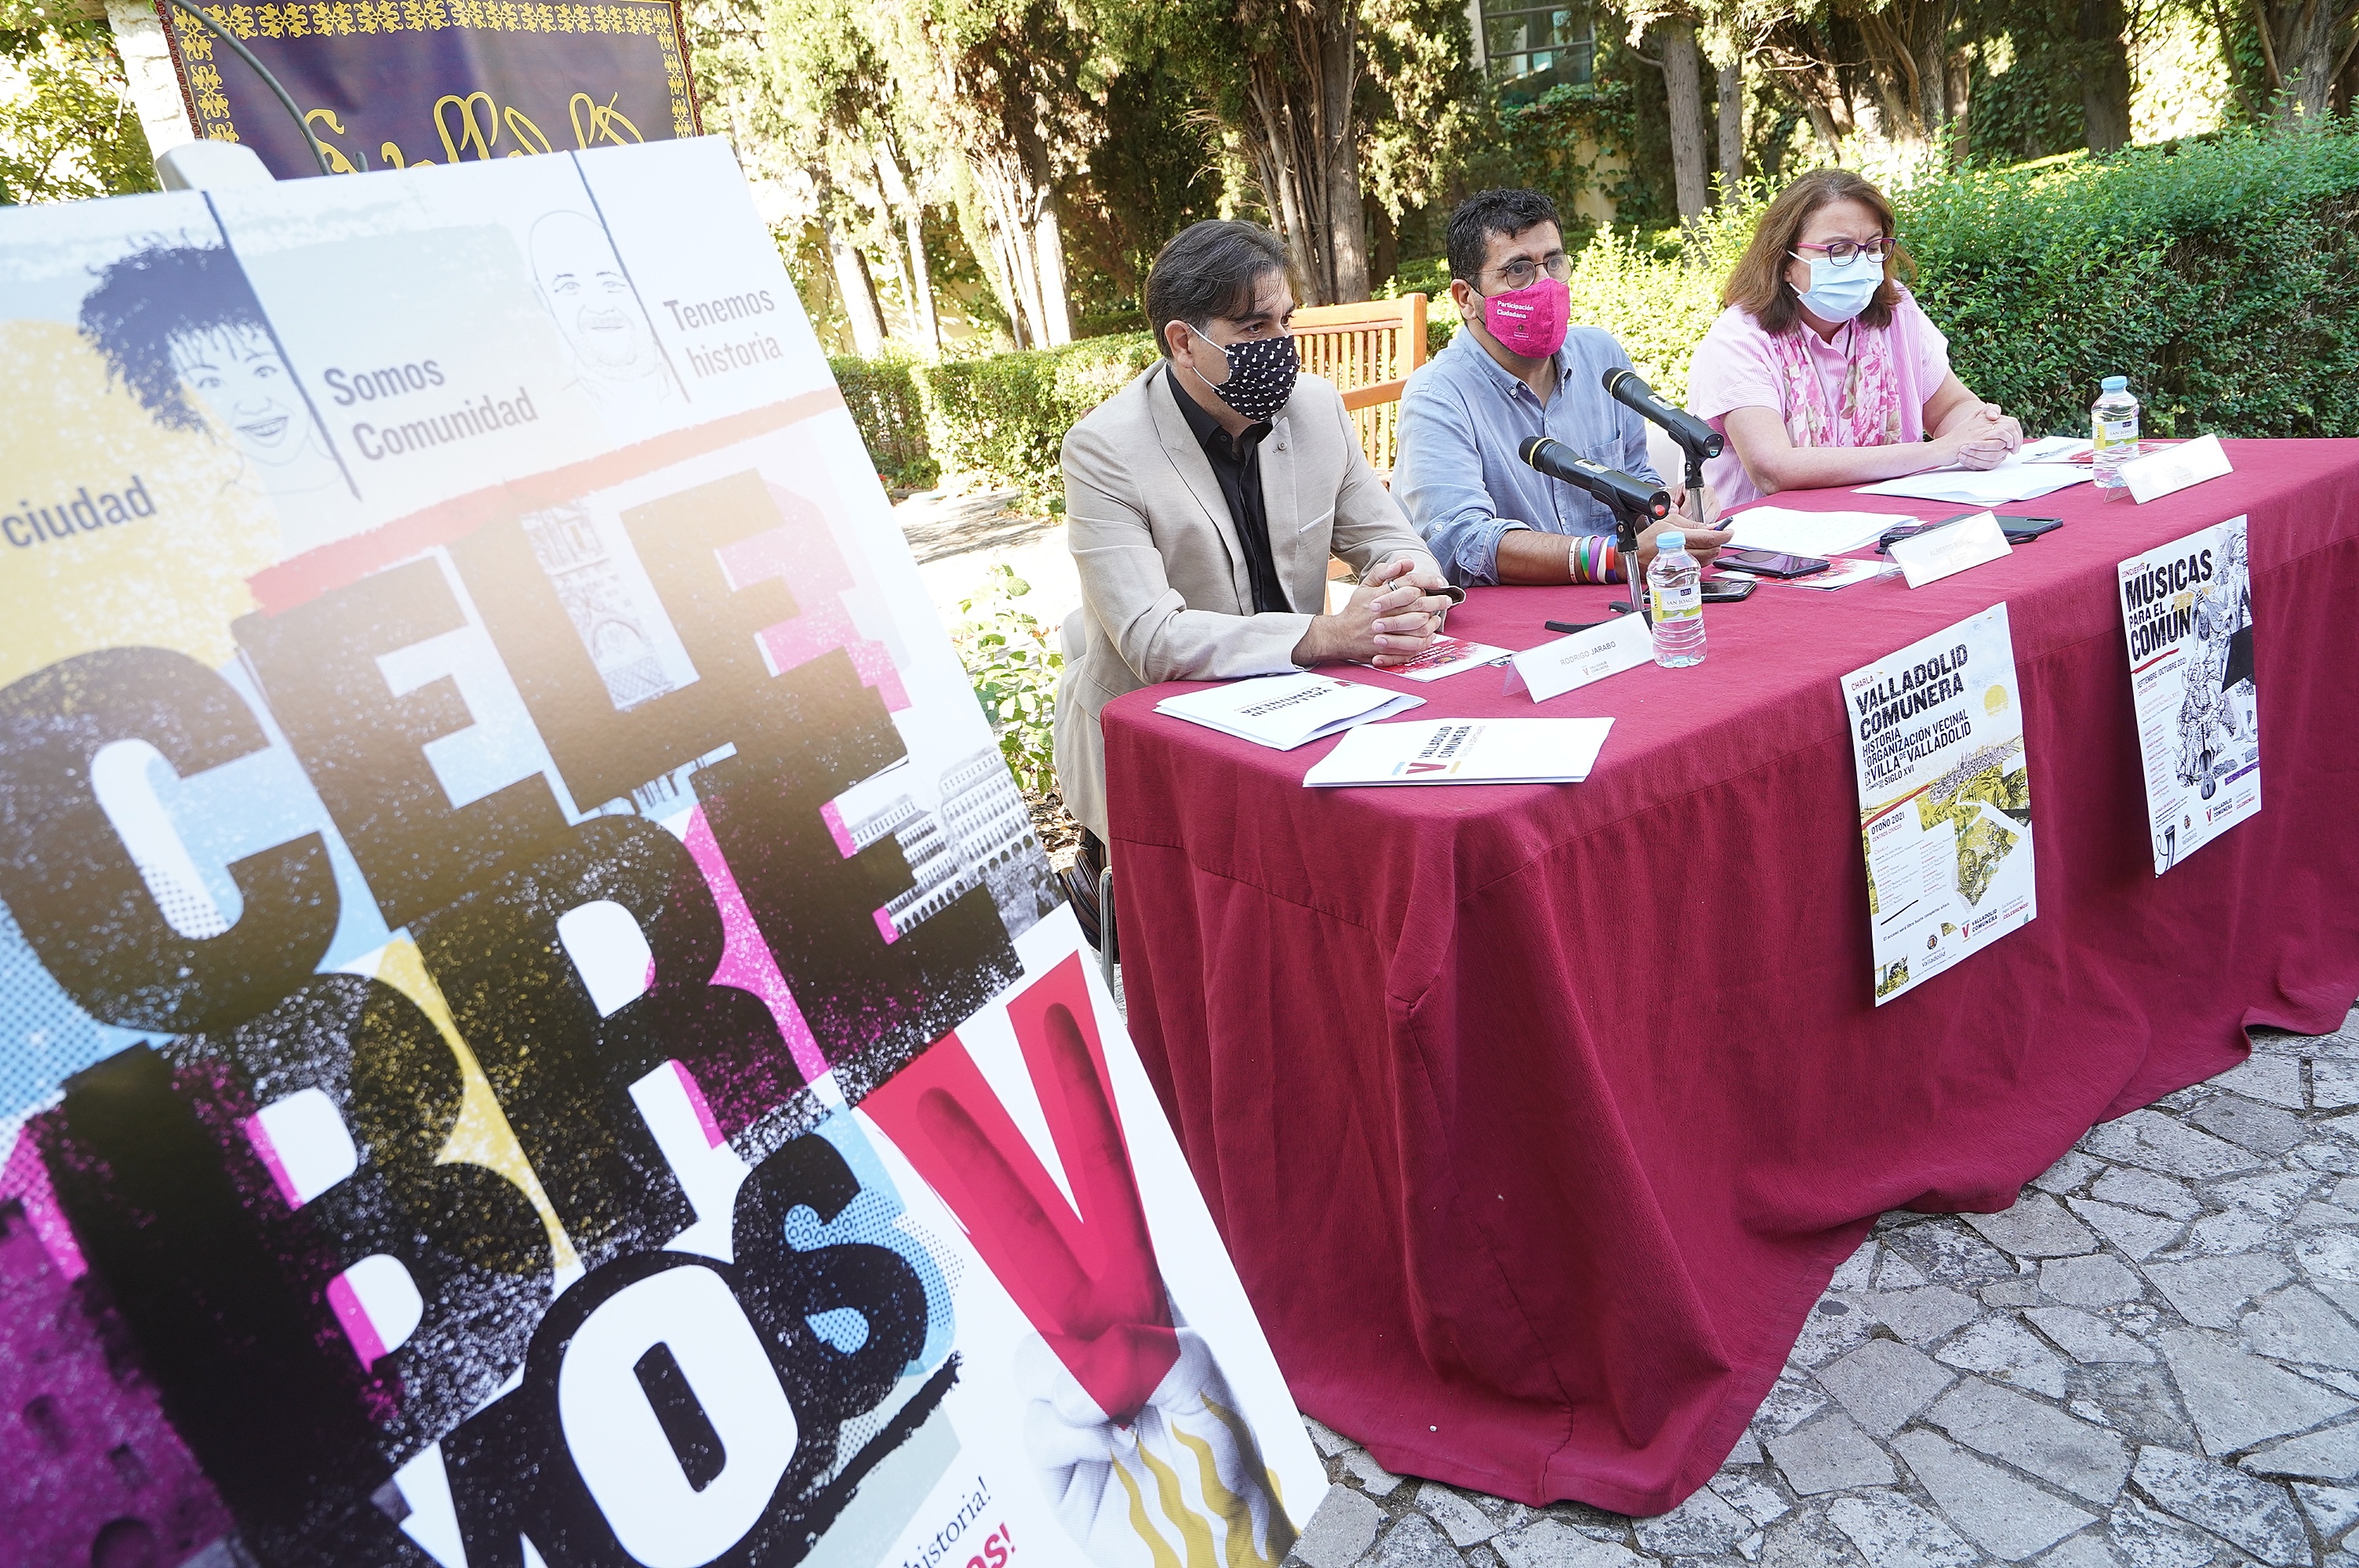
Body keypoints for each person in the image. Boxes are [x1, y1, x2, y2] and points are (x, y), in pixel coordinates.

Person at [1054, 220, 1458, 942]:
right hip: (1166, 745)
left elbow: (1392, 540)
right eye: (1253, 327)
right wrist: (1330, 634)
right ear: (1184, 342)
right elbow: (1154, 640)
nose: (1280, 346)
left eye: (1286, 322)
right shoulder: (1104, 450)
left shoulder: (1314, 408)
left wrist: (1406, 590)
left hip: (1304, 715)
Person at [1396, 187, 1726, 589]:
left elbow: (1634, 474)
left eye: (1554, 262)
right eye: (1518, 270)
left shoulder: (1601, 357)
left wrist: (1665, 509)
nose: (1545, 284)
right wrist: (1615, 559)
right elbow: (1461, 542)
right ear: (1466, 298)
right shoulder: (1437, 395)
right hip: (1517, 615)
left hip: (1621, 598)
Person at [1685, 168, 2022, 506]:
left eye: (1873, 246)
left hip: (1891, 519)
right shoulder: (1739, 338)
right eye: (1839, 249)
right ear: (1785, 261)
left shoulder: (1896, 311)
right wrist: (1939, 451)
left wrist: (1984, 429)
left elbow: (1950, 408)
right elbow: (1773, 469)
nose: (1861, 264)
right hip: (1764, 536)